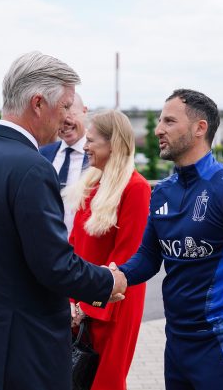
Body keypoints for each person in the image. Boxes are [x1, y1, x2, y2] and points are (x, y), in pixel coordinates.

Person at [0, 51, 127, 390]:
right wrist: (106, 282)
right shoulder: (32, 166)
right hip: (25, 348)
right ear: (38, 103)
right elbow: (54, 264)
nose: (68, 118)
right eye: (66, 105)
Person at [117, 89, 223, 390]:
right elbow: (147, 259)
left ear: (200, 128)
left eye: (169, 121)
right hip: (177, 343)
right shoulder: (162, 193)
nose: (158, 129)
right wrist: (111, 277)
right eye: (159, 121)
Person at [64, 109, 150, 390]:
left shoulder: (135, 187)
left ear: (113, 144)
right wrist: (70, 300)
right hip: (81, 301)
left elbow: (126, 257)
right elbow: (73, 248)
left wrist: (86, 306)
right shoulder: (90, 184)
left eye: (91, 140)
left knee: (105, 382)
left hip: (114, 305)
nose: (85, 146)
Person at [40, 93, 89, 236]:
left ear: (84, 112)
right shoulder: (42, 155)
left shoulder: (101, 156)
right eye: (59, 117)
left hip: (84, 249)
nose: (65, 122)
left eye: (72, 114)